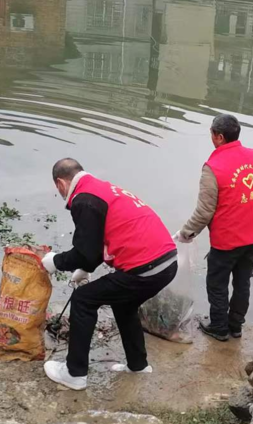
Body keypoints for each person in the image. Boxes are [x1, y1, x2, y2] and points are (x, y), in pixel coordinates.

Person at [40, 159, 178, 391]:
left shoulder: (83, 199)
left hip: (146, 267)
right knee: (124, 304)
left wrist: (55, 261)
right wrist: (85, 269)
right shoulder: (102, 189)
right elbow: (94, 249)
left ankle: (74, 373)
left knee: (84, 299)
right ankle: (138, 364)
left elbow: (84, 252)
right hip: (167, 262)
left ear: (61, 183)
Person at [177, 114, 253, 342]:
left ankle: (219, 327)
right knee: (242, 279)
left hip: (228, 238)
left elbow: (204, 212)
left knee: (217, 283)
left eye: (211, 134)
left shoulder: (214, 167)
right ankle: (236, 325)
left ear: (218, 137)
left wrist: (185, 233)